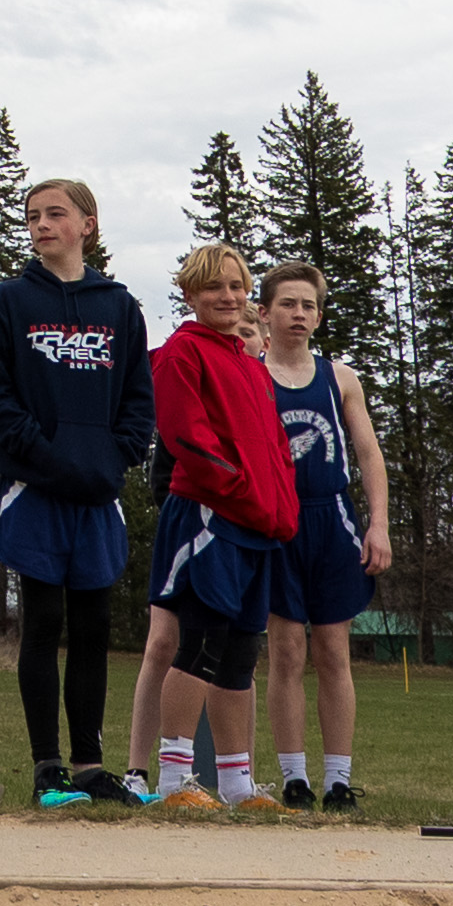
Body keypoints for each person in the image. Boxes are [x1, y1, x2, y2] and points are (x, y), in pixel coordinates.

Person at [0, 176, 158, 808]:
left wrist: (112, 457)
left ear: (87, 224)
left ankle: (89, 767)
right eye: (32, 217)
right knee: (44, 622)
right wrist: (47, 456)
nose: (42, 225)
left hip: (97, 494)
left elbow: (138, 400)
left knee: (92, 627)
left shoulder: (119, 307)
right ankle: (46, 768)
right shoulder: (11, 301)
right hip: (35, 489)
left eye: (55, 214)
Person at [143, 244, 298, 812]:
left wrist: (281, 508)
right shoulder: (181, 353)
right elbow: (187, 436)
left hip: (258, 527)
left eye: (236, 286)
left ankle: (236, 784)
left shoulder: (251, 364)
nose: (228, 297)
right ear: (190, 295)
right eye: (213, 287)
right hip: (209, 517)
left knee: (239, 654)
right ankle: (174, 778)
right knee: (200, 645)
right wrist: (237, 489)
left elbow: (276, 448)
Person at [253, 263, 391, 815]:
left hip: (331, 520)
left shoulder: (340, 378)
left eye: (308, 306)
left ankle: (339, 781)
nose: (299, 314)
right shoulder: (251, 375)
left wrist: (378, 524)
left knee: (334, 651)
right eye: (288, 304)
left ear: (319, 315)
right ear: (264, 313)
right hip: (276, 523)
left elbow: (368, 454)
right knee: (286, 650)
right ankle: (294, 778)